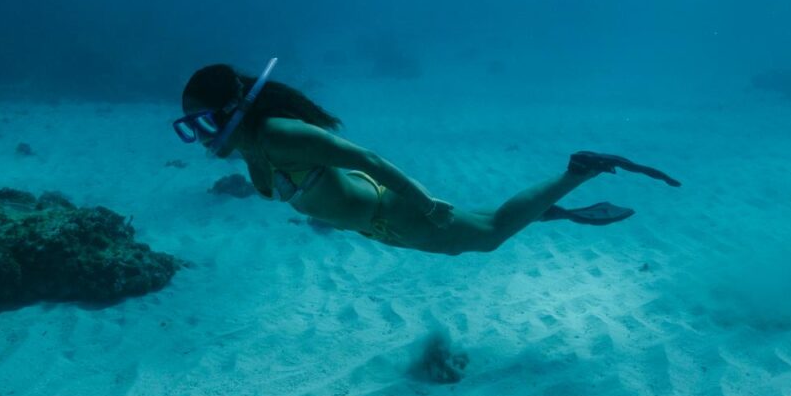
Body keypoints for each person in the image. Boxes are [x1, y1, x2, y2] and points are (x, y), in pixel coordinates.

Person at [173, 59, 680, 256]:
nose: (200, 136)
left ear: (232, 110)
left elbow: (364, 157)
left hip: (389, 212)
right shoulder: (250, 146)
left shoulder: (280, 135)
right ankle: (545, 208)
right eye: (192, 126)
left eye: (204, 122)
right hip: (375, 222)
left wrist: (425, 201)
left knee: (487, 239)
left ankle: (579, 171)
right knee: (485, 225)